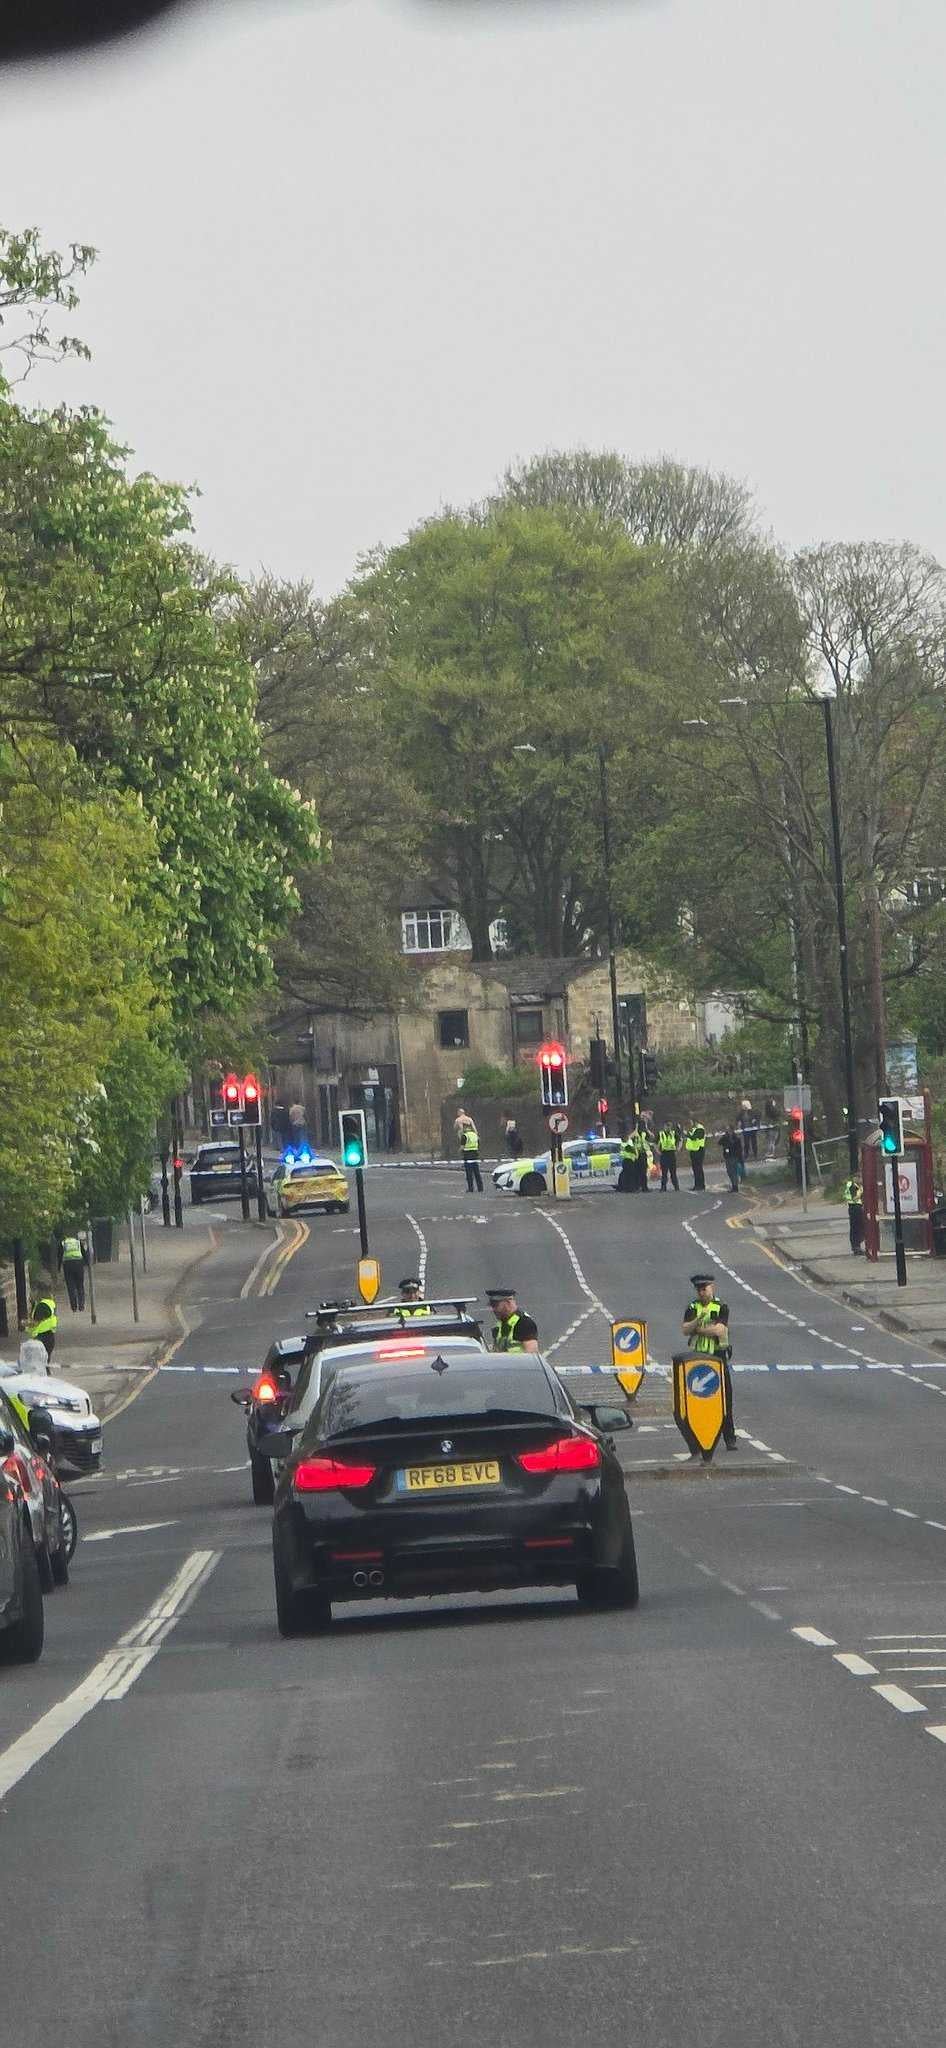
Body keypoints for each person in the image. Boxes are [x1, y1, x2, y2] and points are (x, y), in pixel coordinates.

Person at [682, 1271, 737, 1450]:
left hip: (718, 1357)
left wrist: (698, 1329)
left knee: (725, 1399)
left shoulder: (721, 1306)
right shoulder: (692, 1307)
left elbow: (720, 1330)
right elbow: (685, 1329)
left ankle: (730, 1438)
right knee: (698, 1399)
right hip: (698, 1359)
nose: (701, 1292)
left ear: (712, 1287)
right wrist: (697, 1323)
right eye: (699, 1289)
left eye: (704, 1288)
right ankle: (700, 1439)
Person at [487, 1288, 539, 1353]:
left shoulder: (524, 1323)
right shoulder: (500, 1323)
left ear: (508, 1302)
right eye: (492, 1306)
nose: (493, 1309)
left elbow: (532, 1353)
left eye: (496, 1305)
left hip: (518, 1363)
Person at [58, 1231, 89, 1313]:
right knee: (80, 1285)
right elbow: (84, 1253)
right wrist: (88, 1264)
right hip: (78, 1263)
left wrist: (58, 1268)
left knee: (71, 1286)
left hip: (67, 1265)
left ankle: (74, 1307)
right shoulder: (78, 1242)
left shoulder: (63, 1243)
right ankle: (81, 1305)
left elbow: (60, 1255)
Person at [25, 1291, 58, 1360]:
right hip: (50, 1336)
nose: (29, 1297)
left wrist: (24, 1323)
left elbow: (35, 1322)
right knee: (45, 1360)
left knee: (38, 1360)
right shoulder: (50, 1303)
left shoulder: (41, 1306)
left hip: (41, 1337)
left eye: (31, 1295)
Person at [460, 1120, 483, 1193]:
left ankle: (470, 1188)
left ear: (465, 1127)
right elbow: (478, 1143)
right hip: (475, 1157)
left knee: (469, 1175)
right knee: (477, 1174)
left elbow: (462, 1147)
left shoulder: (464, 1136)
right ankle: (480, 1188)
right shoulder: (475, 1135)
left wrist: (460, 1152)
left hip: (468, 1157)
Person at [844, 1172, 864, 1254]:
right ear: (855, 1178)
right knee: (856, 1228)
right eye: (859, 1178)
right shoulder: (852, 1186)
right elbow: (854, 1198)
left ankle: (856, 1246)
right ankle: (856, 1247)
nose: (861, 1180)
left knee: (857, 1227)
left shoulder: (855, 1186)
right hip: (854, 1208)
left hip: (856, 1208)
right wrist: (861, 1191)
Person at [684, 1120, 707, 1191]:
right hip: (693, 1150)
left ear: (695, 1122)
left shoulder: (700, 1129)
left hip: (699, 1150)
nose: (690, 1124)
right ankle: (697, 1185)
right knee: (695, 1169)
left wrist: (687, 1134)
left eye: (691, 1123)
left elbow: (694, 1138)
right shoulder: (694, 1129)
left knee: (698, 1168)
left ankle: (701, 1185)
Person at [657, 1121, 680, 1192]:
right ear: (664, 1127)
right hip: (664, 1153)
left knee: (673, 1172)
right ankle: (663, 1187)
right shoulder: (660, 1134)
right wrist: (657, 1151)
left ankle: (676, 1187)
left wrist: (678, 1149)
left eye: (669, 1126)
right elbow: (655, 1143)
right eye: (667, 1126)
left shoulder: (673, 1133)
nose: (668, 1128)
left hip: (671, 1153)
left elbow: (680, 1140)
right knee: (664, 1172)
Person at [720, 1125, 743, 1193]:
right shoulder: (725, 1138)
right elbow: (719, 1143)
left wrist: (739, 1157)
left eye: (729, 1130)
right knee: (729, 1172)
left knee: (733, 1172)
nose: (728, 1131)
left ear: (732, 1130)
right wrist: (724, 1137)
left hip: (734, 1156)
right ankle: (734, 1185)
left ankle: (735, 1186)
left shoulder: (736, 1138)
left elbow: (739, 1149)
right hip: (727, 1156)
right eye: (727, 1130)